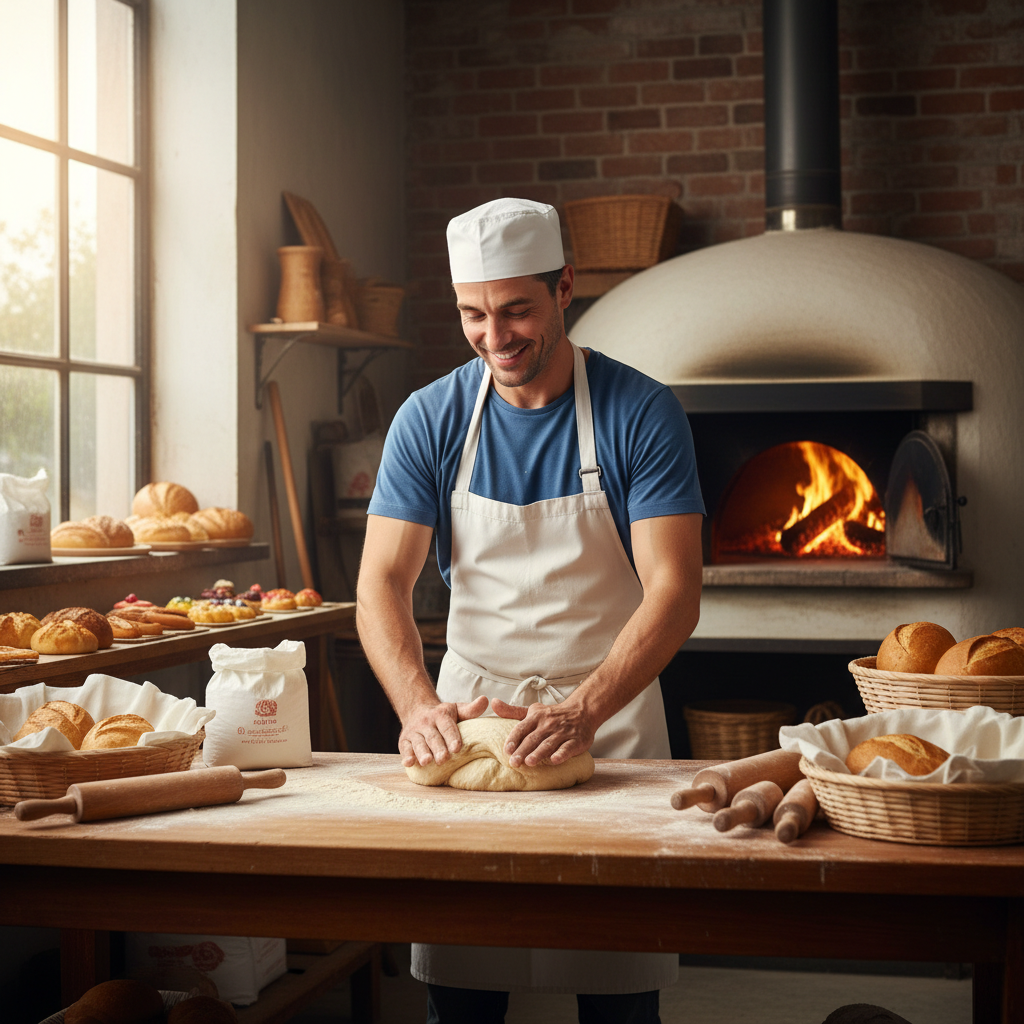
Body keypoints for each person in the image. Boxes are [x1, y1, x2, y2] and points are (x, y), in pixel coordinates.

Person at [356, 197, 705, 1024]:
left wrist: (584, 711)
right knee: (463, 992)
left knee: (619, 996)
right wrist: (417, 708)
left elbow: (675, 591)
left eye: (515, 309)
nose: (494, 335)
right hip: (471, 726)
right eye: (473, 315)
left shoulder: (639, 411)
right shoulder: (430, 418)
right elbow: (380, 584)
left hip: (610, 724)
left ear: (565, 288)